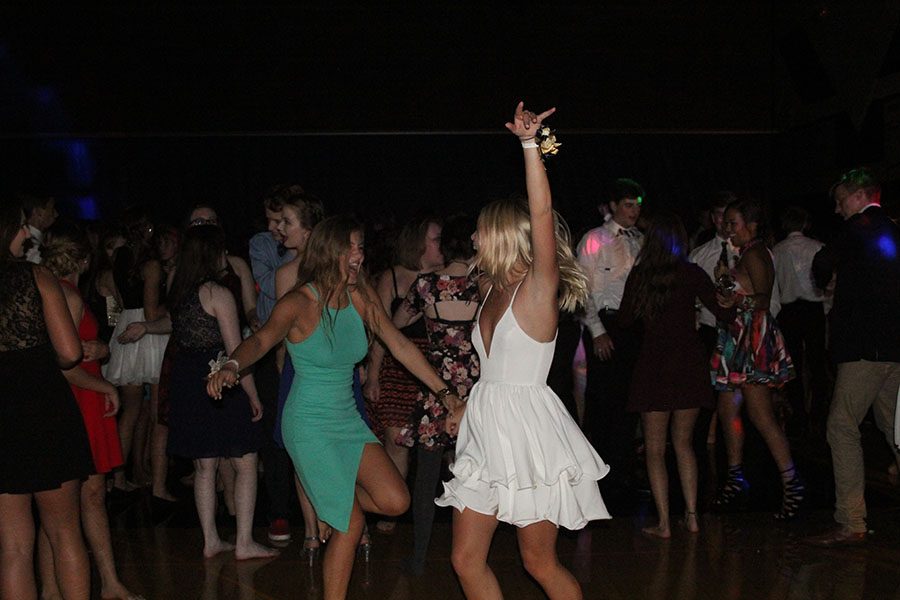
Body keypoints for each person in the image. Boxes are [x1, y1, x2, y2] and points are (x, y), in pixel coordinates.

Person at [207, 215, 459, 599]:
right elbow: (260, 342)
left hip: (346, 418)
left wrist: (446, 393)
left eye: (361, 247)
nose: (359, 254)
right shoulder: (298, 302)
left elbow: (401, 345)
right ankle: (336, 513)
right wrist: (231, 365)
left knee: (396, 500)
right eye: (352, 247)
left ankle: (332, 501)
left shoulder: (360, 296)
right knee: (350, 526)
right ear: (331, 252)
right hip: (308, 425)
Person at [436, 103, 610, 599]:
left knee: (538, 562)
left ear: (504, 237)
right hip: (486, 427)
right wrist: (468, 404)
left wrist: (530, 146)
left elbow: (540, 214)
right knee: (465, 560)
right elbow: (494, 368)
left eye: (480, 229)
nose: (471, 236)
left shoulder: (537, 288)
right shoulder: (490, 289)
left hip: (529, 436)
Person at [39, 228, 143, 600]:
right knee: (81, 499)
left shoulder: (60, 290)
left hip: (78, 395)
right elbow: (62, 361)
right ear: (84, 259)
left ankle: (82, 586)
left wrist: (99, 350)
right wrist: (105, 385)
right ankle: (96, 585)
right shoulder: (65, 293)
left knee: (67, 502)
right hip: (78, 398)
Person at [618, 211, 735, 538]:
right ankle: (693, 516)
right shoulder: (692, 272)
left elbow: (625, 319)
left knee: (655, 449)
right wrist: (727, 292)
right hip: (687, 362)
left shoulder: (642, 274)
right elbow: (724, 312)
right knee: (684, 444)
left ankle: (666, 523)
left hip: (654, 363)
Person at [0, 201, 93, 599]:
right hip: (41, 403)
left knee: (14, 547)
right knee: (64, 531)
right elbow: (71, 352)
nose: (27, 235)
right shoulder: (36, 277)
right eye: (21, 228)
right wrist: (42, 355)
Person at [166, 225, 275, 560]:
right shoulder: (217, 293)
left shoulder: (178, 289)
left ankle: (210, 540)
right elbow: (235, 353)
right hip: (219, 381)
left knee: (204, 466)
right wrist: (253, 395)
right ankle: (243, 542)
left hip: (187, 381)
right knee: (245, 462)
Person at [806, 168, 900, 546]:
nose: (836, 206)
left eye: (841, 198)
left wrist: (826, 278)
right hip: (894, 346)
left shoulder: (860, 226)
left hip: (865, 348)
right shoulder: (894, 229)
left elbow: (823, 261)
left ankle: (851, 521)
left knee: (841, 426)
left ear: (861, 196)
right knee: (895, 427)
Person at [393, 213, 481, 575]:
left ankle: (417, 559)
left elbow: (396, 324)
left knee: (425, 477)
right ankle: (474, 555)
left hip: (436, 387)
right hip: (476, 388)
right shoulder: (485, 286)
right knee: (476, 475)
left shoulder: (427, 285)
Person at [711, 196, 801, 520]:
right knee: (728, 405)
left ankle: (793, 484)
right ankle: (736, 477)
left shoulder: (756, 253)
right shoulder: (746, 253)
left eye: (733, 223)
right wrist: (726, 291)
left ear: (750, 225)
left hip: (750, 337)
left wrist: (733, 295)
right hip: (737, 337)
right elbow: (738, 298)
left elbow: (761, 299)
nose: (727, 229)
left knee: (760, 415)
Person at [363, 215, 444, 533]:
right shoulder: (392, 278)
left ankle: (430, 507)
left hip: (434, 369)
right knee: (396, 441)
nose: (442, 244)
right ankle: (390, 507)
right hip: (397, 367)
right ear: (419, 243)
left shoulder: (448, 278)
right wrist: (372, 374)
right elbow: (380, 330)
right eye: (436, 238)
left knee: (435, 445)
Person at [575, 177, 644, 498]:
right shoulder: (594, 240)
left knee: (630, 399)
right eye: (628, 205)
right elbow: (584, 290)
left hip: (634, 326)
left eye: (637, 205)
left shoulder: (639, 240)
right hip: (605, 324)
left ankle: (623, 470)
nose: (633, 211)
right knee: (603, 400)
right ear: (614, 206)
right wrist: (598, 331)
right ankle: (597, 472)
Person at [249, 184, 305, 543]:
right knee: (277, 432)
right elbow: (270, 286)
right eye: (273, 220)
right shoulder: (261, 244)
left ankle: (316, 516)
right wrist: (297, 255)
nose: (276, 228)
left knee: (310, 433)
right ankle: (279, 513)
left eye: (283, 221)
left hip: (306, 345)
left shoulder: (312, 251)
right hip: (272, 347)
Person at [103, 207, 168, 493]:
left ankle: (119, 477)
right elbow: (153, 311)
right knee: (154, 412)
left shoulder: (120, 258)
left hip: (126, 323)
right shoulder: (151, 264)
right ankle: (156, 477)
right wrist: (174, 307)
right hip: (146, 330)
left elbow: (118, 302)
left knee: (129, 411)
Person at [772, 206, 829, 438]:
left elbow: (774, 285)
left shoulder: (776, 251)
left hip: (790, 311)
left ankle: (799, 416)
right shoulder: (817, 247)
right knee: (817, 363)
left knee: (793, 364)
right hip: (812, 308)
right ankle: (818, 413)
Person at [20, 193, 58, 264]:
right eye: (52, 209)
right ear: (38, 211)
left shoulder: (40, 242)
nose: (56, 214)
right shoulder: (35, 249)